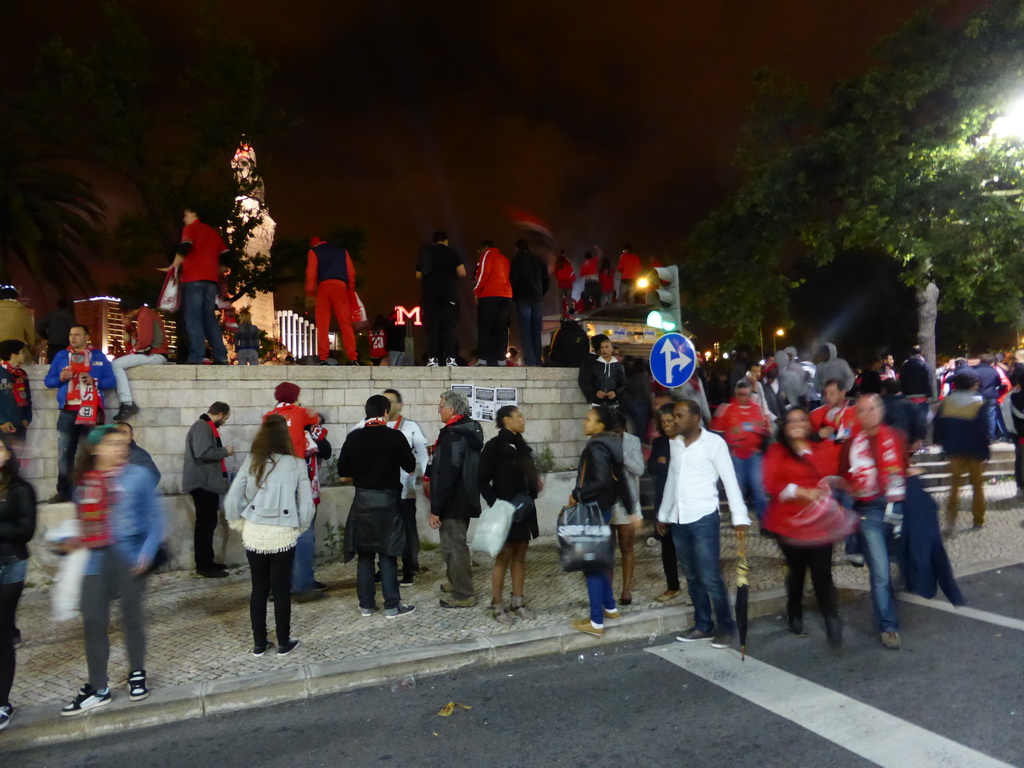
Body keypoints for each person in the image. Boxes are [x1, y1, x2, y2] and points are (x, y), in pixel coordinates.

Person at [60, 424, 164, 715]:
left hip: (129, 555)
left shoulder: (138, 476)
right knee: (93, 621)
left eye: (121, 443)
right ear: (96, 449)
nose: (119, 448)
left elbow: (155, 518)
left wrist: (146, 552)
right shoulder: (85, 482)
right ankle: (99, 687)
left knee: (131, 619)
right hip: (94, 558)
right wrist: (68, 540)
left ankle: (137, 673)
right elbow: (83, 522)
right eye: (111, 444)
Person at [657, 399, 750, 648]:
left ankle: (727, 627)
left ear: (696, 418)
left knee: (710, 577)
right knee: (692, 576)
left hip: (703, 518)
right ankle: (703, 625)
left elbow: (730, 480)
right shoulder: (675, 444)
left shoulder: (714, 444)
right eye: (674, 416)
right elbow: (672, 481)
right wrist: (664, 514)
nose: (675, 420)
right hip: (679, 520)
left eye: (680, 416)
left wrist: (740, 516)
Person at [224, 415, 313, 657]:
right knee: (281, 588)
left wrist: (238, 521)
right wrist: (300, 527)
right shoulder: (296, 464)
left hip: (255, 532)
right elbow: (306, 505)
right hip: (283, 533)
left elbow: (232, 497)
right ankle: (284, 641)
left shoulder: (252, 460)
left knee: (259, 588)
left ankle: (259, 643)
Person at [762, 408, 842, 646]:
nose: (797, 424)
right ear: (785, 426)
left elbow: (833, 476)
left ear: (809, 426)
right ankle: (794, 612)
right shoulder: (777, 451)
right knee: (797, 572)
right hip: (788, 524)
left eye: (801, 420)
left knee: (822, 573)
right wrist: (801, 491)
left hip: (819, 523)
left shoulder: (819, 449)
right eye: (792, 420)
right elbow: (771, 483)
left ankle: (831, 618)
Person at [338, 395, 417, 619]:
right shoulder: (395, 436)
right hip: (388, 502)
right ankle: (392, 606)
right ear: (385, 412)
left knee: (365, 555)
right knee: (388, 553)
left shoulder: (353, 438)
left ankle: (366, 606)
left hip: (362, 501)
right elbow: (410, 467)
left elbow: (343, 475)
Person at [840, 394, 907, 650]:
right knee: (880, 571)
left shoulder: (896, 437)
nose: (868, 414)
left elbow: (903, 468)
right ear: (856, 415)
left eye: (872, 409)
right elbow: (844, 478)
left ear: (881, 410)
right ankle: (888, 626)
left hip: (896, 506)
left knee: (899, 560)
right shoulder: (850, 444)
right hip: (869, 510)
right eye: (863, 410)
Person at [351, 388, 429, 586]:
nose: (388, 405)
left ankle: (410, 568)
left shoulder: (411, 427)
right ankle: (384, 570)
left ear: (400, 405)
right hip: (379, 491)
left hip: (404, 490)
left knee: (408, 528)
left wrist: (426, 475)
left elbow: (423, 453)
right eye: (385, 401)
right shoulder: (363, 426)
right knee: (381, 532)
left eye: (392, 401)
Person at [568, 405, 631, 636]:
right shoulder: (612, 443)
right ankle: (610, 607)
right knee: (601, 561)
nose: (585, 422)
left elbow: (602, 481)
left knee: (592, 565)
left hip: (592, 509)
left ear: (600, 425)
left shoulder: (595, 446)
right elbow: (620, 478)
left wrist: (577, 495)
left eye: (589, 419)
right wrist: (632, 509)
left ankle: (596, 622)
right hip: (604, 509)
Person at [478, 406, 542, 625]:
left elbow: (531, 475)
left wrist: (533, 490)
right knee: (502, 558)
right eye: (519, 417)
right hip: (504, 511)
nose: (523, 420)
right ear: (507, 420)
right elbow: (482, 480)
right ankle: (497, 604)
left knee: (520, 556)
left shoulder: (522, 447)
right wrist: (497, 504)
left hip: (524, 510)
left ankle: (518, 602)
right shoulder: (493, 447)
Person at [44, 324, 116, 503]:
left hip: (91, 410)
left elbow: (111, 381)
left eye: (77, 334)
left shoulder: (98, 356)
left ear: (86, 337)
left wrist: (95, 380)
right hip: (68, 410)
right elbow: (48, 381)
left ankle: (95, 491)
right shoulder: (61, 356)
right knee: (65, 454)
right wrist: (60, 378)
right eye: (70, 335)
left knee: (94, 451)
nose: (72, 338)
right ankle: (64, 492)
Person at [264, 382, 323, 601]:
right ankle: (303, 584)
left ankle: (280, 586)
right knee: (304, 532)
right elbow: (317, 419)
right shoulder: (299, 413)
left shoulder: (268, 416)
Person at [426, 389, 484, 608]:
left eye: (440, 407)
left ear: (451, 410)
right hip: (465, 494)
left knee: (454, 546)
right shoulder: (470, 429)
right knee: (452, 544)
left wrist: (436, 507)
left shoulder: (453, 435)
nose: (438, 410)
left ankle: (464, 593)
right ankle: (456, 581)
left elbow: (447, 472)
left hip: (453, 499)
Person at [0, 439, 36, 731]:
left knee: (1, 632)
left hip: (9, 564)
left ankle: (2, 703)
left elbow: (25, 530)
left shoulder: (20, 489)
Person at [170, 208, 230, 365]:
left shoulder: (190, 228)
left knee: (193, 317)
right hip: (210, 281)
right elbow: (226, 257)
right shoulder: (213, 233)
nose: (184, 219)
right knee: (209, 317)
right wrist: (216, 271)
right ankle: (221, 355)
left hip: (193, 279)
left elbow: (185, 247)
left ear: (194, 214)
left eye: (186, 215)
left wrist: (174, 266)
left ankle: (197, 355)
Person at [933, 372, 989, 535]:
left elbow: (938, 424)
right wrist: (985, 451)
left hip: (954, 450)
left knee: (954, 487)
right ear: (973, 385)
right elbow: (983, 430)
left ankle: (950, 521)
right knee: (977, 487)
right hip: (975, 451)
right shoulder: (979, 403)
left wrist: (942, 441)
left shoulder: (948, 402)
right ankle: (978, 520)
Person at [182, 402, 234, 578]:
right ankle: (204, 566)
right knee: (205, 526)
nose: (225, 421)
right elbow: (202, 453)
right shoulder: (203, 427)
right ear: (220, 414)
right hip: (202, 484)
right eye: (225, 418)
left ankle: (208, 561)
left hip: (206, 484)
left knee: (208, 524)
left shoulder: (204, 426)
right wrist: (224, 451)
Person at [710, 380, 770, 524]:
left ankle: (765, 520)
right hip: (736, 456)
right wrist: (728, 450)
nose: (744, 397)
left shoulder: (757, 409)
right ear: (735, 394)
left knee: (758, 487)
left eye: (747, 394)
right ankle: (738, 518)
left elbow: (766, 431)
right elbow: (715, 434)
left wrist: (761, 447)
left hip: (754, 455)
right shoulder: (727, 409)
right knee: (738, 489)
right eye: (741, 394)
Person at [305, 237, 360, 365]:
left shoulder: (314, 252)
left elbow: (310, 273)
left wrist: (310, 293)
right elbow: (351, 272)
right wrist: (350, 289)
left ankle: (323, 358)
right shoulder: (342, 251)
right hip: (340, 288)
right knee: (346, 324)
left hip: (323, 288)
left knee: (323, 324)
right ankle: (353, 357)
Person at [111, 301, 168, 421]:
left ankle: (127, 403)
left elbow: (144, 342)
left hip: (155, 354)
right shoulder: (146, 313)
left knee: (116, 365)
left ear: (128, 311)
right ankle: (127, 403)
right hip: (155, 353)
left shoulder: (144, 315)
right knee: (119, 363)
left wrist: (132, 352)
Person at [416, 231, 466, 367]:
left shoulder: (426, 253)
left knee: (432, 329)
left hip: (429, 296)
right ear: (446, 241)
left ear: (434, 241)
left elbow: (418, 275)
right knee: (448, 328)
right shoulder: (451, 253)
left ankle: (433, 359)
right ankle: (450, 358)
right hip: (448, 295)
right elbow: (462, 272)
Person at [610, 411, 644, 604]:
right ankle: (607, 588)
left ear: (624, 430)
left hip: (627, 501)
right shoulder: (600, 441)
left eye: (617, 433)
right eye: (611, 432)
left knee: (626, 546)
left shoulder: (633, 442)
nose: (614, 436)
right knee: (606, 548)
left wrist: (620, 456)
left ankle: (626, 590)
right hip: (607, 499)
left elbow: (639, 469)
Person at [649, 404, 680, 602]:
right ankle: (672, 586)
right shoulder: (659, 442)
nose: (667, 425)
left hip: (684, 499)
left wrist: (665, 463)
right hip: (663, 498)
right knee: (667, 545)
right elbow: (652, 466)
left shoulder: (687, 441)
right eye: (664, 422)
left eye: (670, 421)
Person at [510, 239, 550, 367]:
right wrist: (540, 294)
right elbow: (546, 281)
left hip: (524, 299)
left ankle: (530, 361)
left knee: (526, 331)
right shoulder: (539, 261)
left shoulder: (516, 261)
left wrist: (515, 296)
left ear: (517, 248)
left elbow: (514, 280)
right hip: (537, 299)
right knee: (536, 331)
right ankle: (538, 360)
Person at [473, 241, 513, 367]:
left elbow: (483, 273)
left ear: (485, 248)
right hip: (505, 295)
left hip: (489, 295)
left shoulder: (487, 255)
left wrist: (476, 291)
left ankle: (483, 359)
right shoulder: (504, 259)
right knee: (502, 328)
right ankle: (501, 359)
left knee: (485, 327)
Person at [809, 379, 856, 475]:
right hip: (819, 471)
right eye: (826, 394)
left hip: (846, 471)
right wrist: (817, 435)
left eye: (832, 393)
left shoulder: (856, 414)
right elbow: (802, 436)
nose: (827, 397)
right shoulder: (815, 414)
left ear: (842, 393)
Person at [579, 335, 627, 407]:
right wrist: (595, 393)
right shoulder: (593, 364)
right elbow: (586, 382)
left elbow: (623, 384)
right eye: (602, 347)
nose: (604, 350)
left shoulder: (618, 366)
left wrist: (615, 392)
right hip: (597, 403)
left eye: (607, 347)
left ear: (611, 349)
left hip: (613, 403)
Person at [0, 340, 32, 444]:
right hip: (3, 424)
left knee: (19, 457)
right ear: (13, 355)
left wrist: (27, 417)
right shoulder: (1, 372)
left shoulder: (21, 374)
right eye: (22, 352)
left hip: (19, 423)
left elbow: (27, 397)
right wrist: (2, 421)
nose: (25, 355)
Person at [113, 422, 160, 490]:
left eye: (124, 433)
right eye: (116, 433)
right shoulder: (106, 453)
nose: (120, 437)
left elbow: (153, 476)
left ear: (131, 436)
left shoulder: (140, 455)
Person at [899, 346, 934, 438]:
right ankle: (920, 442)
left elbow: (901, 381)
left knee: (910, 421)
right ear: (921, 353)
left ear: (910, 354)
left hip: (908, 397)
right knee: (922, 421)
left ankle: (911, 441)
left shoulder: (904, 366)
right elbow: (928, 381)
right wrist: (929, 395)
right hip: (921, 397)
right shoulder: (924, 365)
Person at [973, 353, 1007, 441]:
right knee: (991, 416)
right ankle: (991, 436)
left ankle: (980, 435)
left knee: (978, 415)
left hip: (977, 395)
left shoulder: (974, 371)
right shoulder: (994, 371)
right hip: (991, 395)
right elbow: (997, 383)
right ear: (991, 362)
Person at [36, 298, 76, 363]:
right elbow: (74, 330)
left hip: (52, 346)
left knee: (52, 366)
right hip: (66, 346)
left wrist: (47, 336)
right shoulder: (70, 317)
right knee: (65, 366)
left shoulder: (50, 315)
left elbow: (39, 327)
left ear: (57, 306)